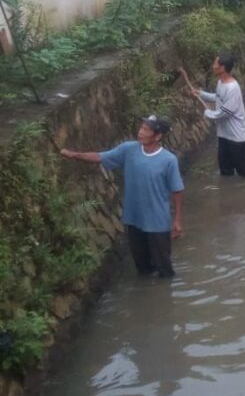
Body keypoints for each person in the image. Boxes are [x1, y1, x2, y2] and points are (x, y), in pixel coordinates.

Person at [60, 115, 184, 278]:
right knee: (142, 268)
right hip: (134, 219)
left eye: (146, 130)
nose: (140, 132)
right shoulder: (128, 149)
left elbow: (177, 190)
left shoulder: (168, 160)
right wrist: (74, 155)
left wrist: (177, 220)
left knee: (164, 269)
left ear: (158, 136)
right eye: (141, 128)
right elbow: (100, 157)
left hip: (157, 221)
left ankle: (165, 297)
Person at [178, 53, 245, 178]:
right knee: (225, 170)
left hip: (236, 137)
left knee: (243, 173)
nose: (213, 66)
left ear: (222, 68)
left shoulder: (233, 88)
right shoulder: (221, 82)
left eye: (216, 64)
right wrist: (201, 94)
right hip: (223, 135)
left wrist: (207, 113)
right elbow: (218, 98)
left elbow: (225, 113)